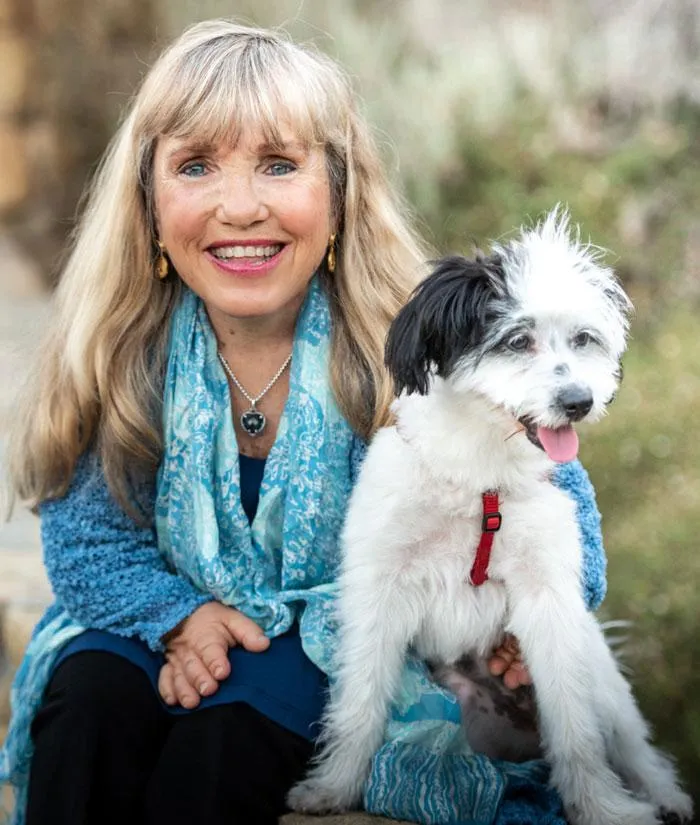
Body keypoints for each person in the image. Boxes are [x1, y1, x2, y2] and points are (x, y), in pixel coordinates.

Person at [0, 19, 607, 825]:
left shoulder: (414, 355)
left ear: (341, 192)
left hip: (334, 630)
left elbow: (560, 514)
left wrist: (518, 625)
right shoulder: (119, 353)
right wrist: (179, 617)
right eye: (196, 165)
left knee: (227, 739)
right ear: (147, 201)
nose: (241, 206)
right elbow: (88, 542)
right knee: (87, 703)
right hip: (154, 608)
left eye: (280, 165)